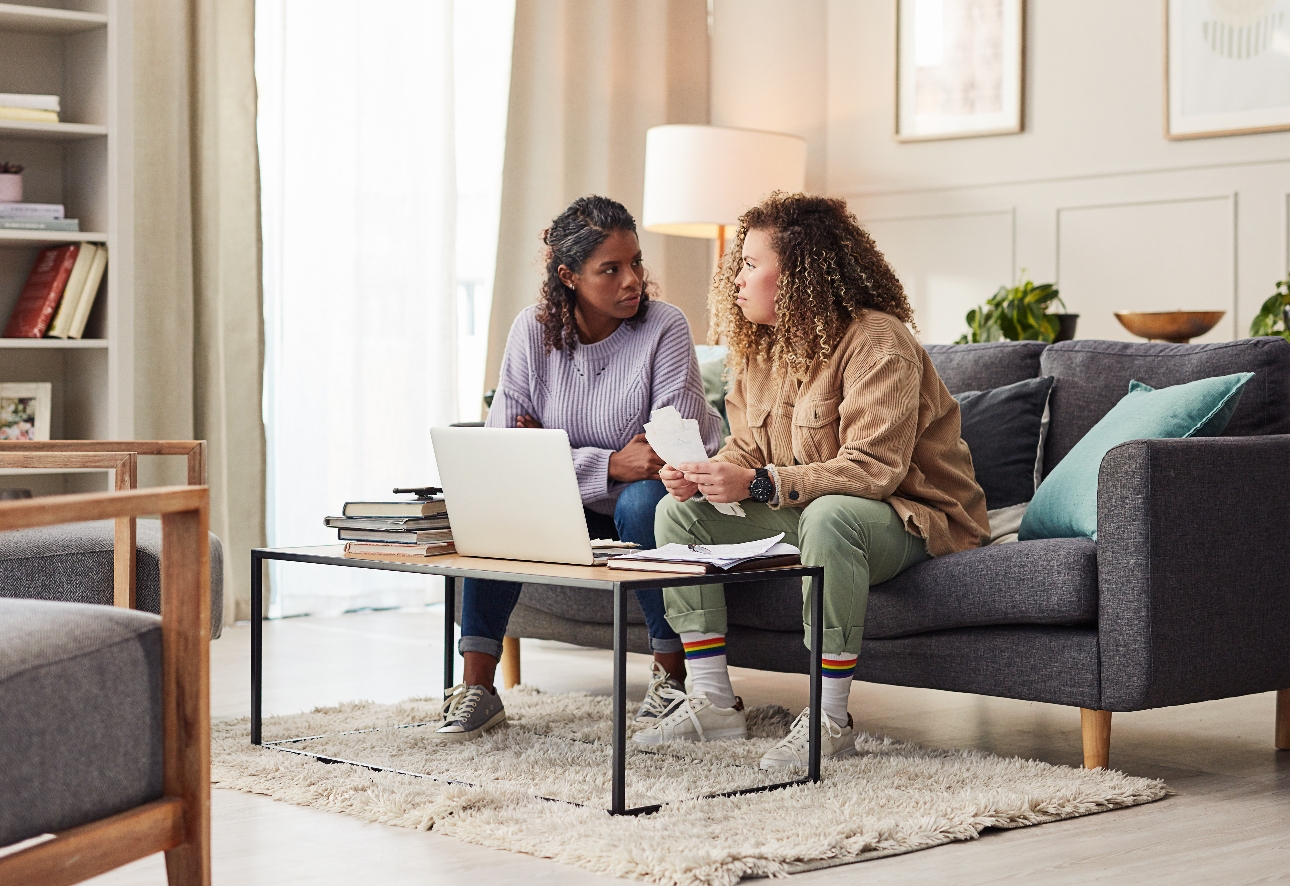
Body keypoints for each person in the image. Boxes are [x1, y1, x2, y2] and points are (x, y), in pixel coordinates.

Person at [633, 192, 990, 768]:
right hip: (814, 510)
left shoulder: (879, 343)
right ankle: (715, 703)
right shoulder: (757, 348)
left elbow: (871, 471)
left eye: (750, 264)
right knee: (675, 512)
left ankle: (830, 718)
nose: (736, 279)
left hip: (912, 515)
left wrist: (755, 485)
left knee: (831, 515)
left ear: (797, 275)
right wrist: (703, 474)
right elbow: (748, 446)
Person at [437, 195, 722, 742]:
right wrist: (611, 462)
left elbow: (665, 453)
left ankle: (670, 681)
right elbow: (505, 455)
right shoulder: (533, 331)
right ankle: (478, 686)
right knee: (498, 508)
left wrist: (555, 453)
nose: (632, 280)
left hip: (658, 503)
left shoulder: (664, 326)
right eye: (610, 270)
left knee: (644, 502)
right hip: (564, 511)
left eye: (635, 263)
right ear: (569, 276)